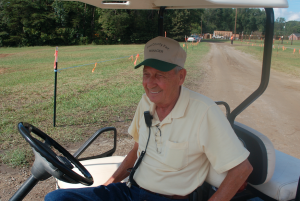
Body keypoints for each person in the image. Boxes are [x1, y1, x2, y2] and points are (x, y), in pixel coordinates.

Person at [45, 36, 252, 201]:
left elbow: (242, 169)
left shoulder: (204, 112)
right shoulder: (146, 102)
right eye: (146, 74)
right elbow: (137, 150)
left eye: (160, 75)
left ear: (181, 77)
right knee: (56, 198)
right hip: (130, 192)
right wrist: (107, 187)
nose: (150, 83)